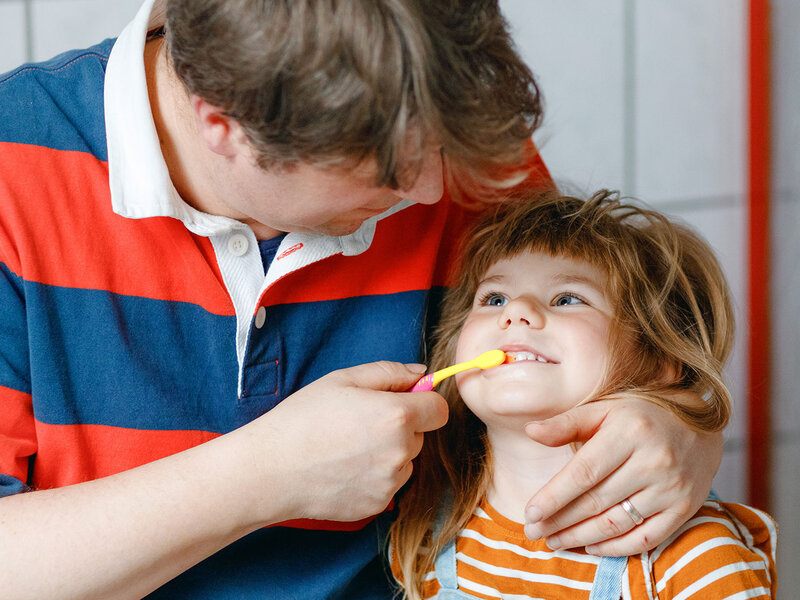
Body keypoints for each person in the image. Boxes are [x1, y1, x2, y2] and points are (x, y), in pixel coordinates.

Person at [0, 0, 722, 598]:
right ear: (220, 122)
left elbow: (608, 366)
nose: (438, 193)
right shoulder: (14, 165)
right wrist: (263, 478)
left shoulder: (456, 149)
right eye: (388, 172)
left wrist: (684, 432)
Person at [390, 189, 777, 600]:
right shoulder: (427, 527)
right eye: (494, 298)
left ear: (659, 358)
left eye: (567, 298)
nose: (515, 310)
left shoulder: (696, 554)